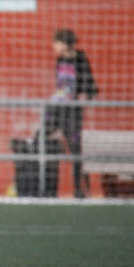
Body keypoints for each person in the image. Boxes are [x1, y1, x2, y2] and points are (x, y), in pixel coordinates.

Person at [44, 28, 97, 198]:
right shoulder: (59, 60)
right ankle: (43, 186)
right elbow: (60, 87)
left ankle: (79, 189)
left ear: (64, 43)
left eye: (56, 42)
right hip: (57, 109)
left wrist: (85, 95)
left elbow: (91, 85)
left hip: (73, 112)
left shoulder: (80, 59)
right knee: (41, 138)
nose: (53, 46)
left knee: (75, 149)